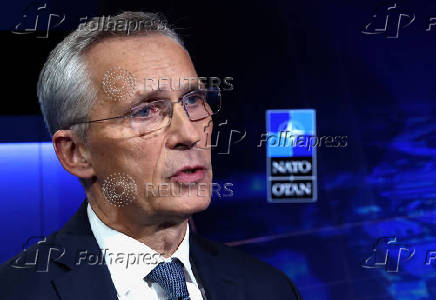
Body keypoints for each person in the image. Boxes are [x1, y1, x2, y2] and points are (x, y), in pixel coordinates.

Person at [0, 11, 302, 300]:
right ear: (76, 153)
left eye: (193, 99)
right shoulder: (16, 291)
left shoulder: (270, 288)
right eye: (144, 111)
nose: (190, 135)